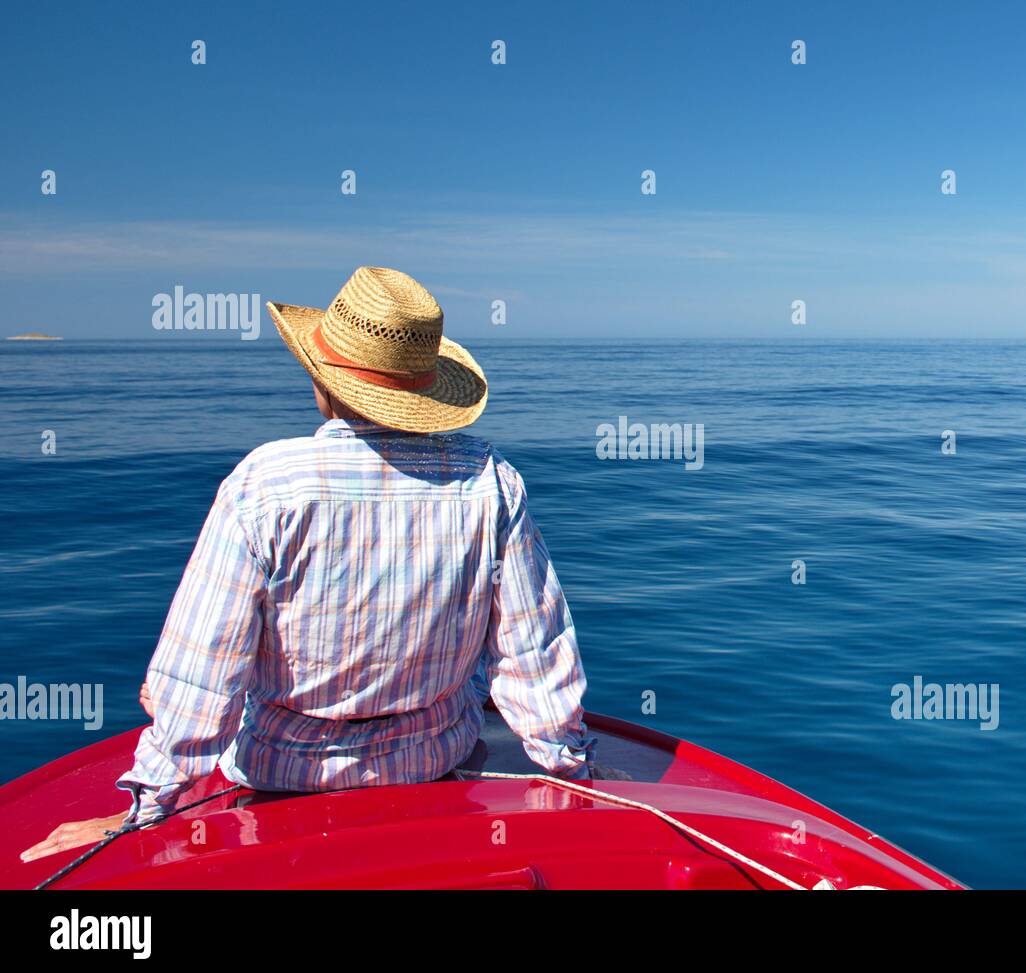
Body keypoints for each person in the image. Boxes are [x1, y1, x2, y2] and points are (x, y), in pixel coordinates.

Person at [22, 266, 620, 864]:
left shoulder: (265, 483)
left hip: (281, 775)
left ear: (321, 380)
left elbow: (203, 674)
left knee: (162, 689)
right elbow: (535, 654)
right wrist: (574, 768)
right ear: (427, 388)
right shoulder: (490, 483)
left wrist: (146, 808)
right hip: (435, 762)